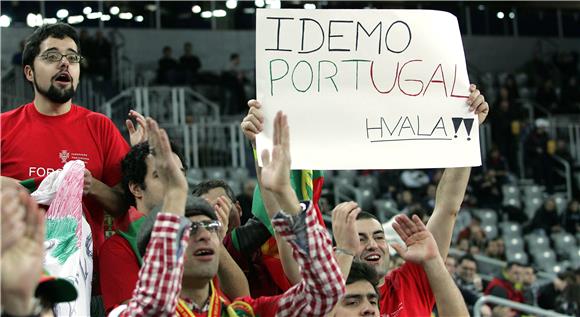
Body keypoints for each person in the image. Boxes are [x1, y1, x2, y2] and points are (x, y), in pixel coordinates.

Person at [241, 84, 490, 316]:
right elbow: (283, 228)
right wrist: (262, 146)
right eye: (360, 239)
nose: (373, 245)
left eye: (379, 236)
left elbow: (448, 208)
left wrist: (467, 132)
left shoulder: (411, 280)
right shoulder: (320, 291)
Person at [113, 113, 345, 316]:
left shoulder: (245, 312)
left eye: (210, 227)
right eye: (190, 229)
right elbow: (152, 308)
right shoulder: (131, 312)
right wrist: (174, 196)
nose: (205, 236)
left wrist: (286, 196)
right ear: (157, 252)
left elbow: (326, 293)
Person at [0, 23, 131, 299]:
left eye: (72, 57)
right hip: (14, 283)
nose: (64, 63)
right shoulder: (4, 127)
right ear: (29, 72)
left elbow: (123, 202)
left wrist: (92, 185)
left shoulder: (100, 127)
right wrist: (15, 188)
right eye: (51, 56)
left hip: (83, 285)